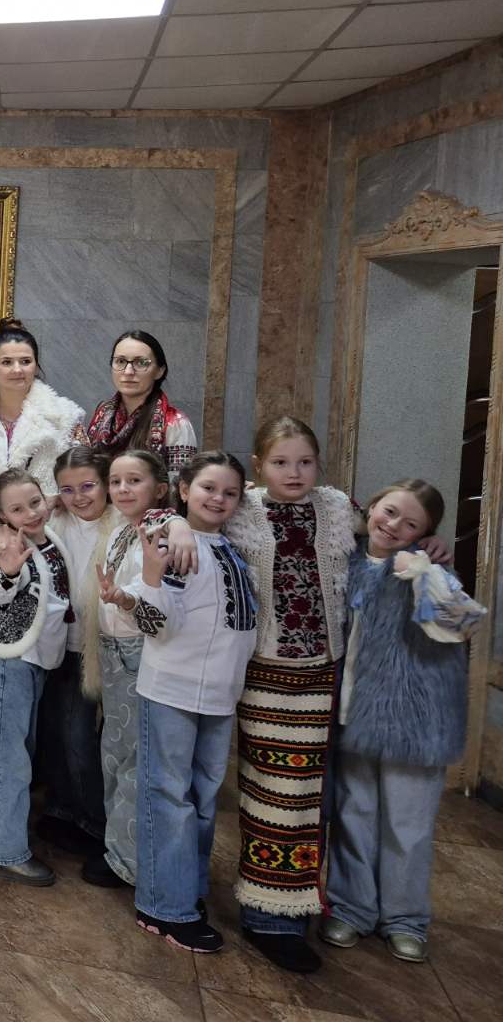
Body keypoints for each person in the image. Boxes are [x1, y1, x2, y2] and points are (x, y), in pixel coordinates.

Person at [216, 416, 360, 973]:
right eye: (280, 462)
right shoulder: (241, 508)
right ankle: (266, 918)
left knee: (311, 799)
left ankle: (301, 905)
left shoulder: (337, 507)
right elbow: (187, 514)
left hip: (323, 672)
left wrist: (429, 543)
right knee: (270, 794)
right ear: (259, 466)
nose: (294, 472)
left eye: (304, 462)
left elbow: (390, 528)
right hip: (265, 673)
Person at [320, 480, 484, 964]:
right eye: (389, 512)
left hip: (413, 721)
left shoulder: (425, 568)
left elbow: (459, 622)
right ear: (372, 506)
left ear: (424, 533)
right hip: (352, 713)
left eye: (411, 524)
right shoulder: (343, 559)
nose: (393, 526)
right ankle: (351, 908)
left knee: (407, 825)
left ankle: (405, 918)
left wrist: (429, 572)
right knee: (354, 815)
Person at [108, 451, 257, 955]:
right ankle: (163, 906)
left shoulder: (230, 548)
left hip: (219, 694)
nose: (218, 498)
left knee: (202, 798)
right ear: (185, 489)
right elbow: (156, 621)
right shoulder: (172, 541)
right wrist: (136, 591)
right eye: (208, 488)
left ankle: (186, 890)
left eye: (229, 492)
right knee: (169, 796)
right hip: (173, 689)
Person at [0, 469, 76, 886]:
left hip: (35, 659)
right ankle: (1, 849)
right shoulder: (7, 545)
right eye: (17, 509)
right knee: (8, 755)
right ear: (3, 515)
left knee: (14, 748)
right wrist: (8, 571)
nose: (30, 513)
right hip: (9, 659)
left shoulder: (50, 536)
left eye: (35, 502)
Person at [89, 448, 174, 890]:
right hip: (114, 651)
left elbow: (155, 604)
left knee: (136, 758)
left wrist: (123, 600)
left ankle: (129, 860)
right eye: (116, 481)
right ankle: (117, 846)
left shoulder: (160, 533)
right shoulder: (121, 528)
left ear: (160, 489)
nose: (122, 489)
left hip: (140, 652)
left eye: (134, 481)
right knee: (115, 751)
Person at [32, 447, 113, 863]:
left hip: (98, 646)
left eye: (87, 486)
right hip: (58, 642)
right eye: (67, 489)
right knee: (57, 730)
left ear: (105, 484)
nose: (79, 497)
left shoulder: (120, 524)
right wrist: (47, 503)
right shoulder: (55, 521)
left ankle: (94, 820)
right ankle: (63, 807)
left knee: (82, 737)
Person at [0, 317, 85, 514]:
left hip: (49, 525)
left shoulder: (65, 417)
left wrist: (59, 499)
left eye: (26, 361)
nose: (17, 369)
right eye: (7, 362)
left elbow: (86, 478)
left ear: (36, 365)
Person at [75, 331, 198, 476]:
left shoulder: (176, 423)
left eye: (141, 363)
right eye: (121, 361)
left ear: (159, 371)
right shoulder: (102, 413)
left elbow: (180, 484)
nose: (128, 371)